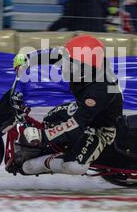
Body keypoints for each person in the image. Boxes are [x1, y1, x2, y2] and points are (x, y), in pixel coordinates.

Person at [12, 35, 123, 176]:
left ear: (85, 67)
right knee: (49, 119)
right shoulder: (86, 64)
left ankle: (46, 161)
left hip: (99, 127)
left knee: (74, 167)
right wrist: (27, 59)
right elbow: (54, 55)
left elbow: (78, 124)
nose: (64, 67)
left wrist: (43, 136)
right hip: (85, 109)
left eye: (70, 65)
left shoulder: (101, 88)